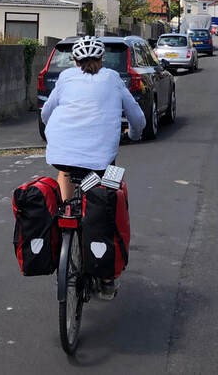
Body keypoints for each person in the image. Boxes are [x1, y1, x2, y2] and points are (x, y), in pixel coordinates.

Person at [40, 36, 145, 298]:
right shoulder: (112, 79)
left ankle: (66, 214)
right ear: (102, 59)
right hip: (102, 161)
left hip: (61, 154)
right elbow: (137, 117)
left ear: (75, 61)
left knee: (65, 172)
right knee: (109, 199)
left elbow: (46, 113)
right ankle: (107, 278)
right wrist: (134, 134)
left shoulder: (65, 79)